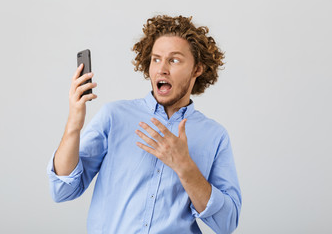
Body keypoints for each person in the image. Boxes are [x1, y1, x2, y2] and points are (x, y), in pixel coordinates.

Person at [47, 15, 241, 234]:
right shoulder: (114, 116)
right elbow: (62, 189)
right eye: (156, 59)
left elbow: (227, 223)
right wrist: (74, 124)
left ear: (197, 69)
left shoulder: (215, 136)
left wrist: (185, 167)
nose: (162, 69)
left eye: (174, 60)